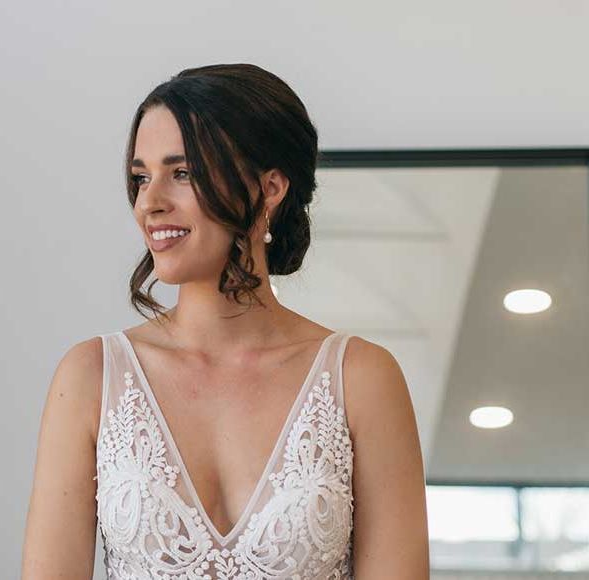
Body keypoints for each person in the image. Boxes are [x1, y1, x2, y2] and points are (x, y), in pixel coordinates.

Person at [21, 63, 429, 579]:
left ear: (270, 187)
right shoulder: (91, 378)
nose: (150, 202)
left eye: (183, 172)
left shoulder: (362, 379)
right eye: (141, 177)